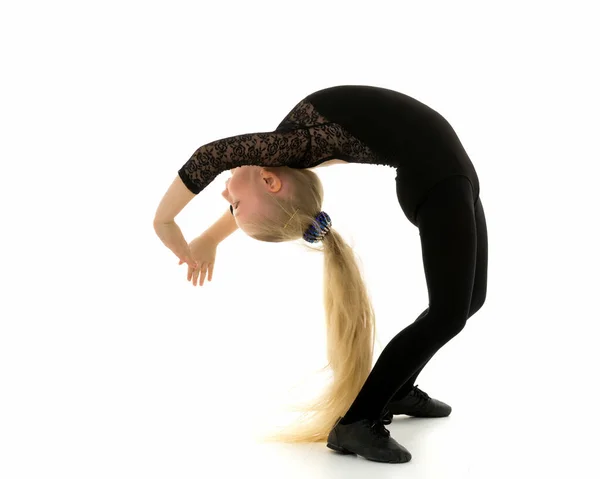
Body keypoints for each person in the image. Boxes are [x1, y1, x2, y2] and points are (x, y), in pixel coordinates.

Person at [153, 85, 488, 464]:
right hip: (437, 178)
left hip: (451, 174)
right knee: (448, 312)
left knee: (470, 301)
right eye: (235, 205)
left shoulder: (288, 148)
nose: (225, 197)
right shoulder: (290, 150)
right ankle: (358, 421)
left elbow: (210, 157)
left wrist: (172, 223)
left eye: (233, 206)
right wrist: (209, 233)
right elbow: (257, 194)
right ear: (270, 180)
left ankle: (398, 388)